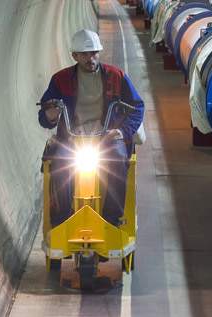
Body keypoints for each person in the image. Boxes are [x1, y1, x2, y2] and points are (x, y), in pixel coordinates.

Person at [38, 29, 144, 227]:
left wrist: (122, 132)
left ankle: (111, 219)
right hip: (72, 139)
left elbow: (137, 106)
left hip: (107, 138)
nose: (90, 58)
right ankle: (62, 218)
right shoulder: (60, 80)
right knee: (60, 164)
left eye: (94, 53)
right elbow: (45, 112)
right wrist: (49, 116)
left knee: (118, 159)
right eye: (84, 54)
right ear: (74, 56)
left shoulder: (115, 76)